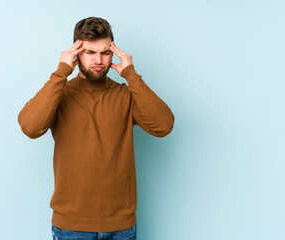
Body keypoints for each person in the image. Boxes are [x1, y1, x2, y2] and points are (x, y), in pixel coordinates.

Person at [17, 16, 174, 240]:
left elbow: (164, 125)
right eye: (90, 52)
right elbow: (30, 127)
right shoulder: (60, 93)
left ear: (114, 53)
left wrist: (132, 75)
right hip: (70, 226)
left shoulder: (126, 95)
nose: (99, 60)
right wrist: (61, 72)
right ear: (76, 53)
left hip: (122, 226)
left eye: (105, 52)